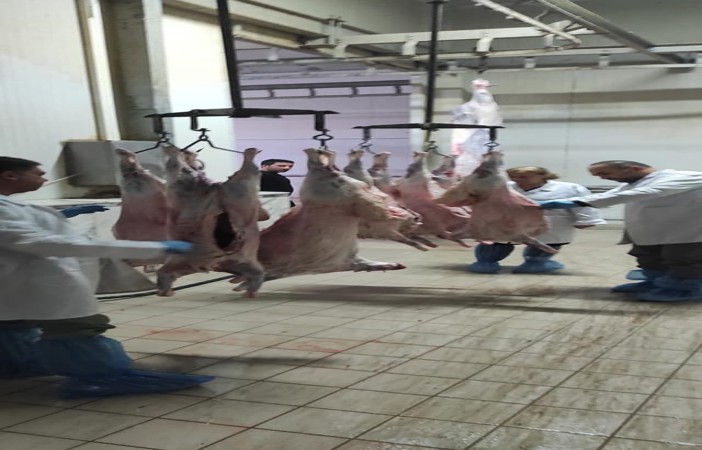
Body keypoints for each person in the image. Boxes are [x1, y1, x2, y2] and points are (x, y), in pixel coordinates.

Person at [0, 156, 213, 397]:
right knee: (74, 330)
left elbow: (17, 229)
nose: (44, 178)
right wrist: (155, 247)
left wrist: (60, 216)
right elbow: (43, 243)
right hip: (35, 284)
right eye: (38, 173)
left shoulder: (7, 205)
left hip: (17, 285)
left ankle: (17, 365)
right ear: (10, 175)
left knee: (13, 327)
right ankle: (98, 378)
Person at [539, 160, 702, 302]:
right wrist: (559, 202)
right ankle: (655, 282)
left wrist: (575, 202)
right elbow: (611, 195)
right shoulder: (632, 183)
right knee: (649, 257)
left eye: (605, 173)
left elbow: (646, 193)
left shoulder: (684, 177)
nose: (603, 178)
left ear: (633, 168)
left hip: (686, 230)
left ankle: (686, 289)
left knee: (684, 260)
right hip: (650, 230)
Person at [468, 166, 605, 274]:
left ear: (543, 176)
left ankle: (535, 262)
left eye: (523, 177)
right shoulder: (503, 187)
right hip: (506, 223)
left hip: (551, 224)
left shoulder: (569, 188)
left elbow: (583, 204)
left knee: (545, 244)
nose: (517, 180)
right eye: (513, 177)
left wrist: (586, 220)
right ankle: (486, 262)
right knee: (497, 243)